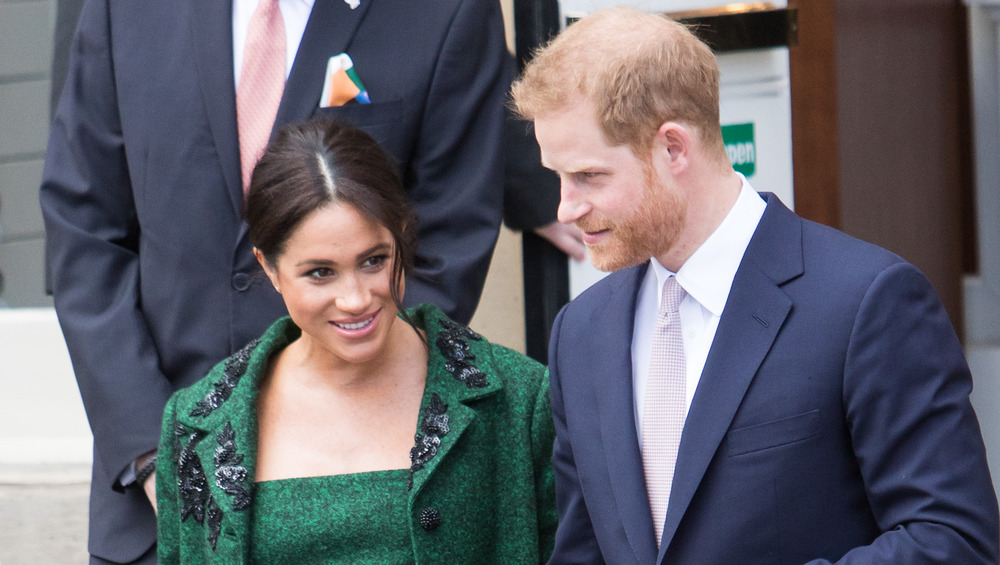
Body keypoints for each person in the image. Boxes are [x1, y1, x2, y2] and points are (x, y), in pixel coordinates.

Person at [510, 6, 999, 564]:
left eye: (589, 176)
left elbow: (953, 540)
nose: (566, 208)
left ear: (673, 148)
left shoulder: (867, 301)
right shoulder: (580, 331)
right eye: (557, 176)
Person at [39, 0, 508, 562]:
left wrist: (332, 448)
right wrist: (154, 458)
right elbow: (84, 231)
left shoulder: (447, 12)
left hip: (360, 507)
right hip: (153, 511)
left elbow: (446, 245)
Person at [153, 119, 556, 563]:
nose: (356, 299)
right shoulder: (194, 423)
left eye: (373, 260)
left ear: (402, 235)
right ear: (269, 268)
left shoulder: (520, 400)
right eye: (320, 272)